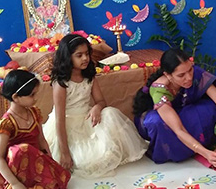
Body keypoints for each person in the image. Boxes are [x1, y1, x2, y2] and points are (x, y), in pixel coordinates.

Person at [133, 48, 216, 167]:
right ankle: (174, 151)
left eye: (190, 70)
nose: (189, 77)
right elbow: (178, 129)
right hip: (163, 119)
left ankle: (200, 144)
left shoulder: (194, 72)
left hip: (185, 110)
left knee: (208, 109)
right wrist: (205, 153)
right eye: (181, 75)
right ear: (168, 75)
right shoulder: (159, 90)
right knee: (157, 122)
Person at [43, 34, 148, 176]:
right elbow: (59, 119)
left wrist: (97, 107)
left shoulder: (88, 77)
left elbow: (101, 101)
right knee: (84, 161)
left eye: (87, 54)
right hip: (67, 124)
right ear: (68, 57)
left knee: (110, 112)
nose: (85, 58)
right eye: (79, 55)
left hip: (87, 118)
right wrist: (65, 153)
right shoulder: (61, 83)